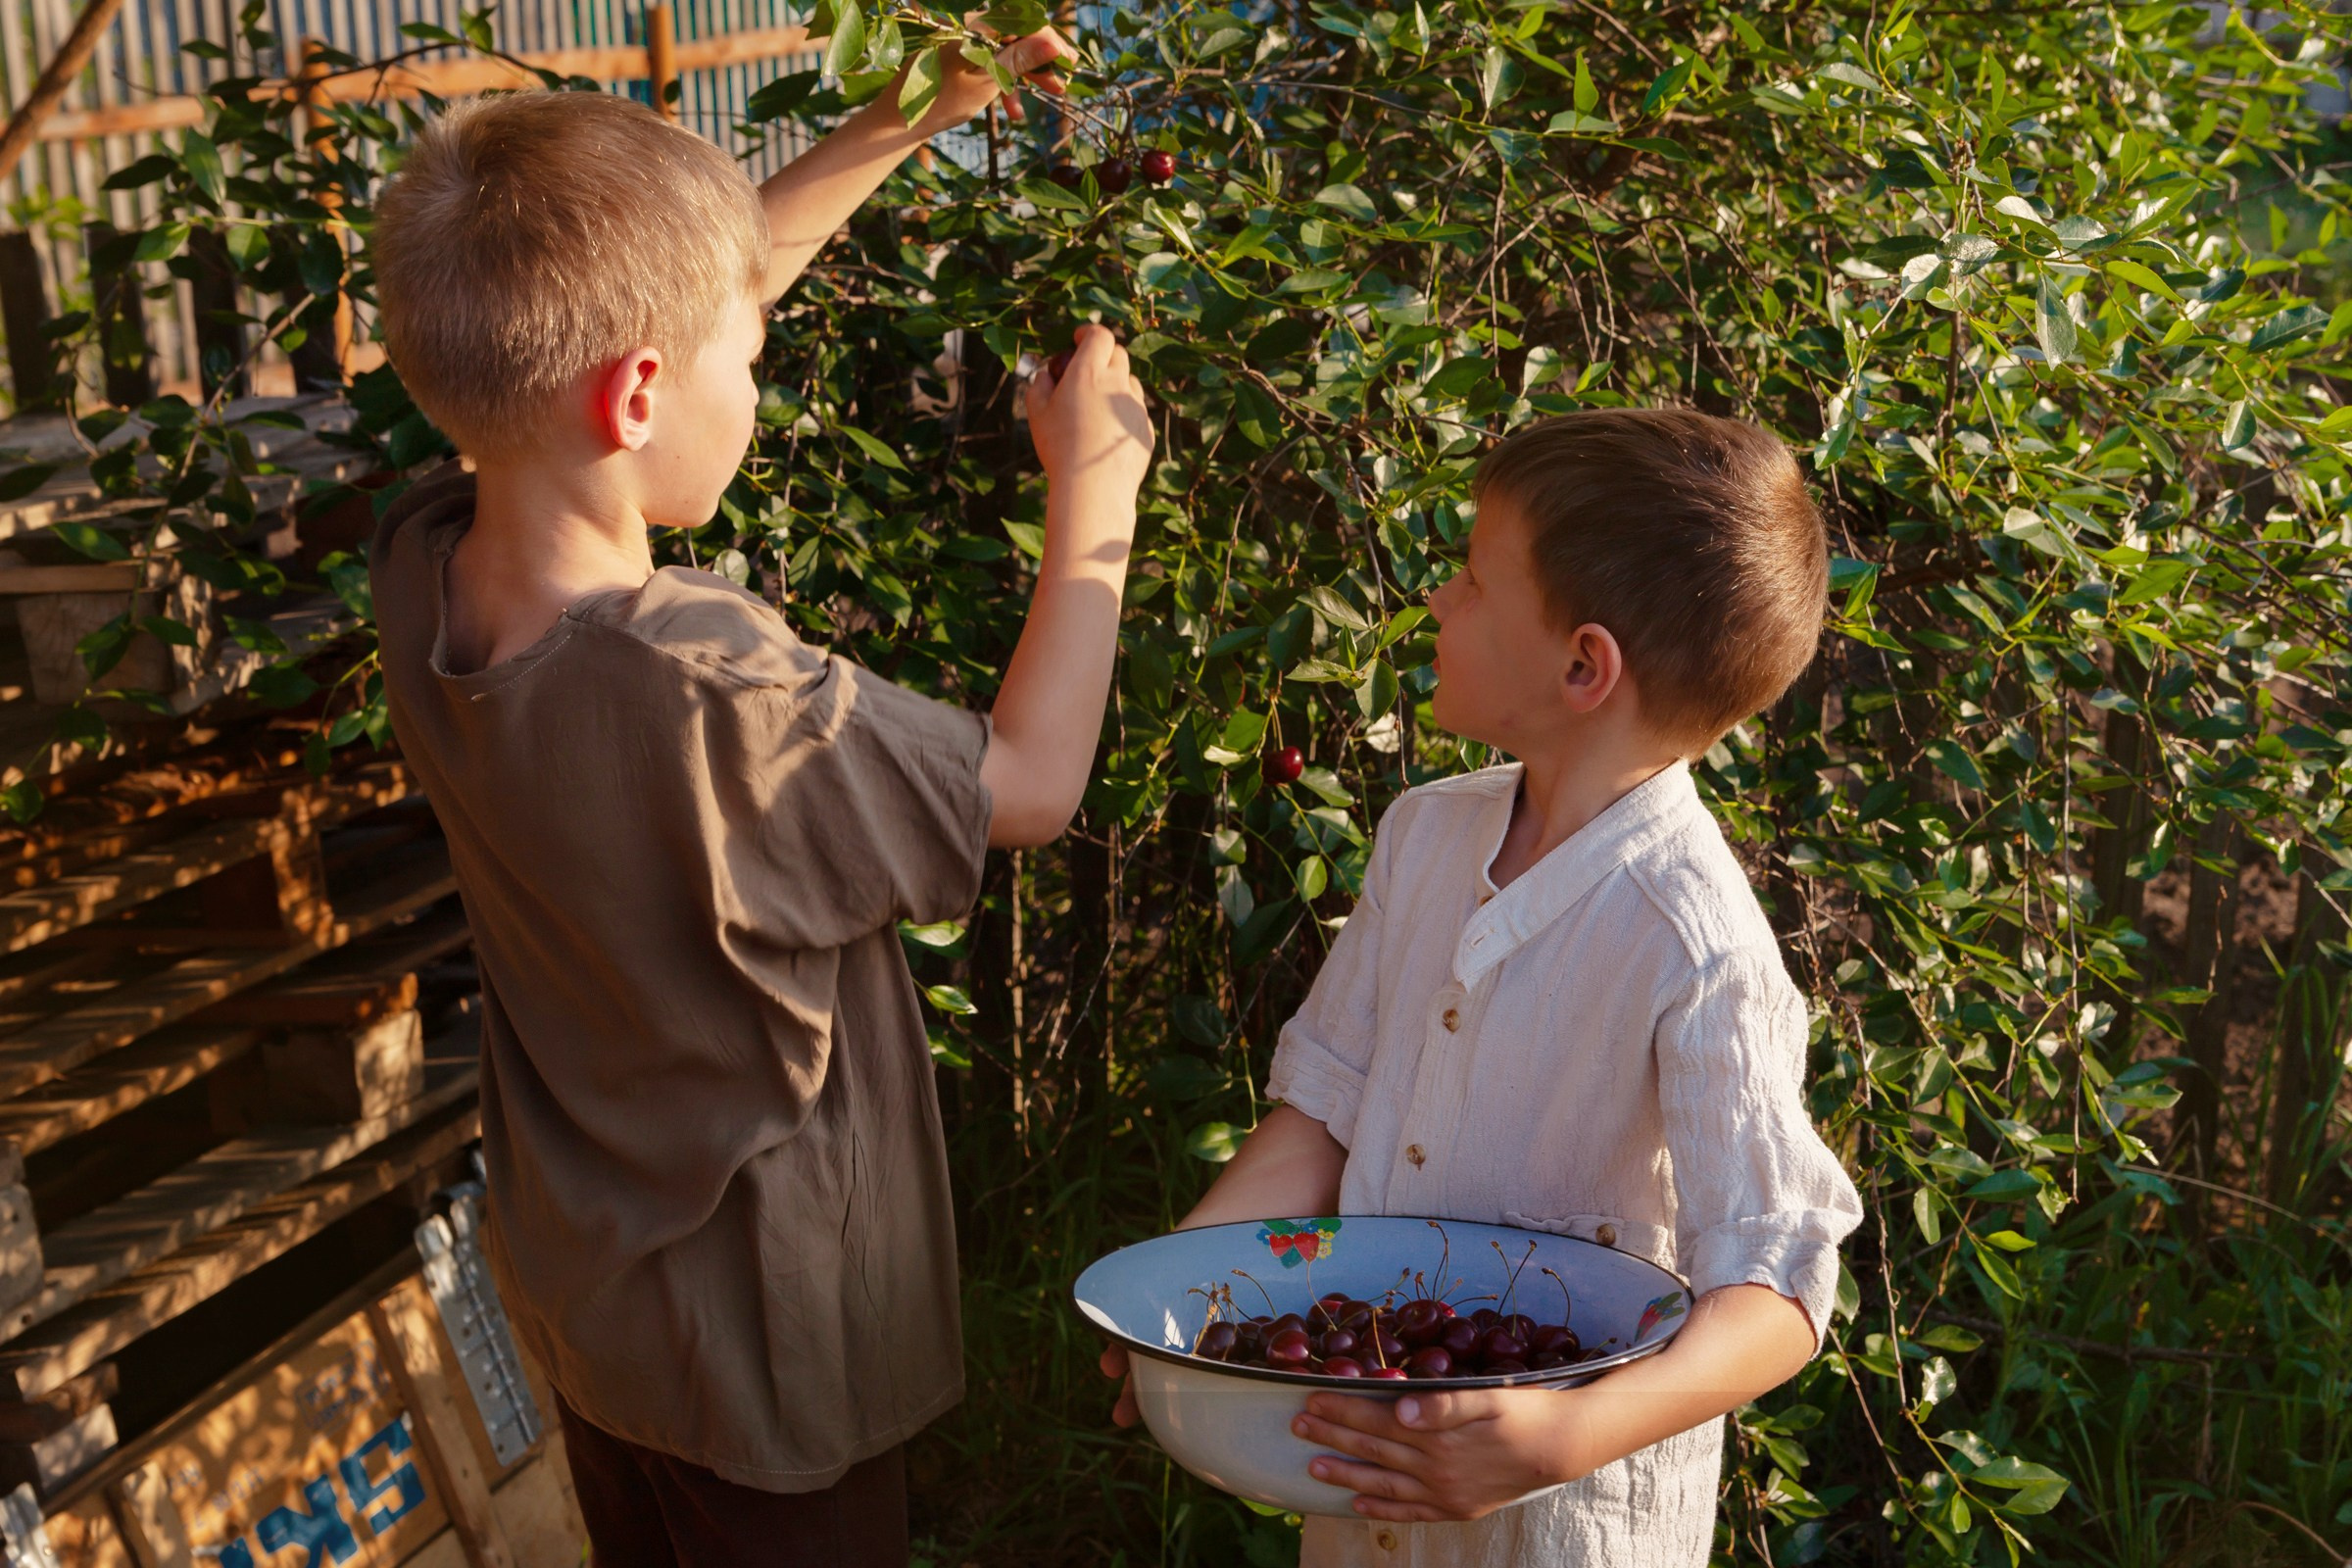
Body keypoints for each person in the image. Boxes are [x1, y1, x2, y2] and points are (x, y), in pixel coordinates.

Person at [366, 46, 1153, 1565]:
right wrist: (1095, 495)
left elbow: (646, 322)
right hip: (772, 1358)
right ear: (644, 391)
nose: (762, 363)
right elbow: (1035, 786)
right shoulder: (715, 689)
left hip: (600, 1314)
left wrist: (907, 118)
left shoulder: (427, 565)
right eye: (748, 353)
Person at [1102, 409, 1866, 1567]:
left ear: (1582, 664)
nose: (1439, 602)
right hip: (1363, 1489)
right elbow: (1326, 1103)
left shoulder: (1694, 943)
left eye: (1470, 578)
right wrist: (1186, 1308)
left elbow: (1778, 1287)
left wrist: (1563, 1434)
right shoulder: (1426, 836)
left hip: (1563, 1530)